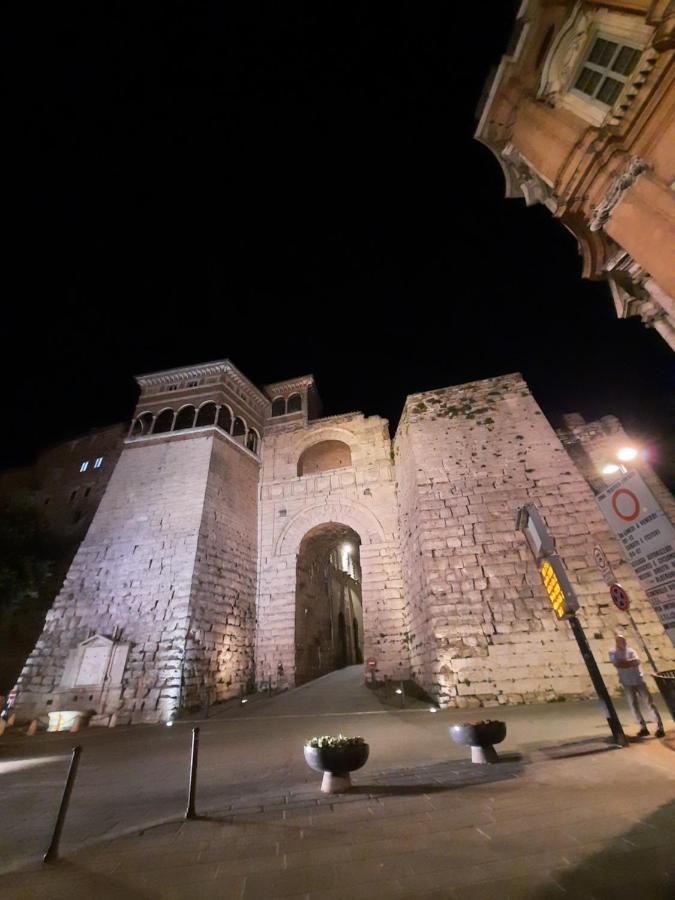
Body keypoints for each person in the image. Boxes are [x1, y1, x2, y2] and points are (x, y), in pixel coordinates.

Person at [609, 633, 664, 738]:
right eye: (620, 641)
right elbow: (617, 664)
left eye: (624, 640)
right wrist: (628, 663)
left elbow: (636, 662)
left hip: (639, 680)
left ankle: (659, 727)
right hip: (627, 682)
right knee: (633, 705)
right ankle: (643, 728)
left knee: (649, 703)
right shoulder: (613, 652)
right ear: (617, 642)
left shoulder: (631, 651)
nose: (623, 643)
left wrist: (625, 662)